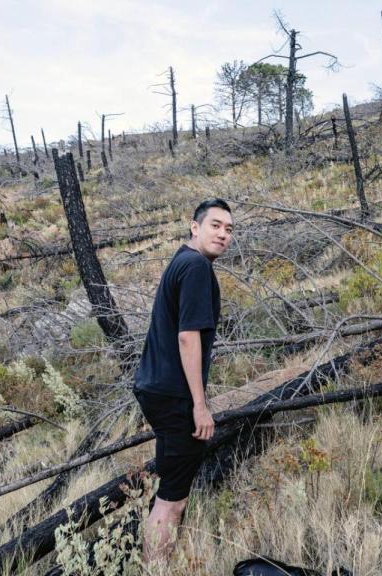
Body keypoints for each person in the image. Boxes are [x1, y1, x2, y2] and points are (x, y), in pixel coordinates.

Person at [132, 198, 234, 563]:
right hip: (174, 395)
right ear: (195, 227)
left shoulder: (182, 260)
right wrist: (200, 406)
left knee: (171, 487)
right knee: (172, 500)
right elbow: (187, 337)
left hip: (157, 388)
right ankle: (154, 568)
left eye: (228, 229)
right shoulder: (195, 268)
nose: (223, 234)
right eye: (215, 225)